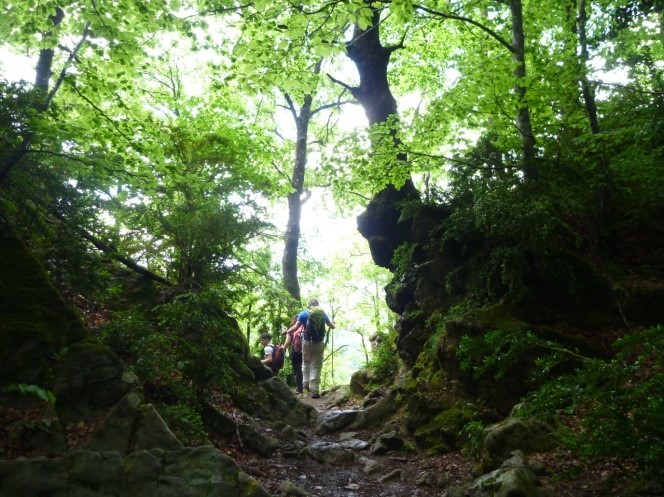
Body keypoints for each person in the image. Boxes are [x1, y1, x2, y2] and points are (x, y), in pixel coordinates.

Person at [285, 299, 335, 398]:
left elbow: (295, 327)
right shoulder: (322, 314)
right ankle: (315, 391)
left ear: (308, 305)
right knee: (316, 365)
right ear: (318, 305)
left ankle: (305, 383)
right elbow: (332, 326)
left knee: (306, 362)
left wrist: (286, 332)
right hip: (319, 342)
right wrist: (333, 323)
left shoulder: (303, 314)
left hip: (307, 342)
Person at [283, 314, 304, 394]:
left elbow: (288, 342)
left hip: (295, 352)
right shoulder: (305, 327)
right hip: (306, 350)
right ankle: (310, 387)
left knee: (298, 370)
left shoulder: (291, 330)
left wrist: (284, 348)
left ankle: (299, 389)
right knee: (307, 368)